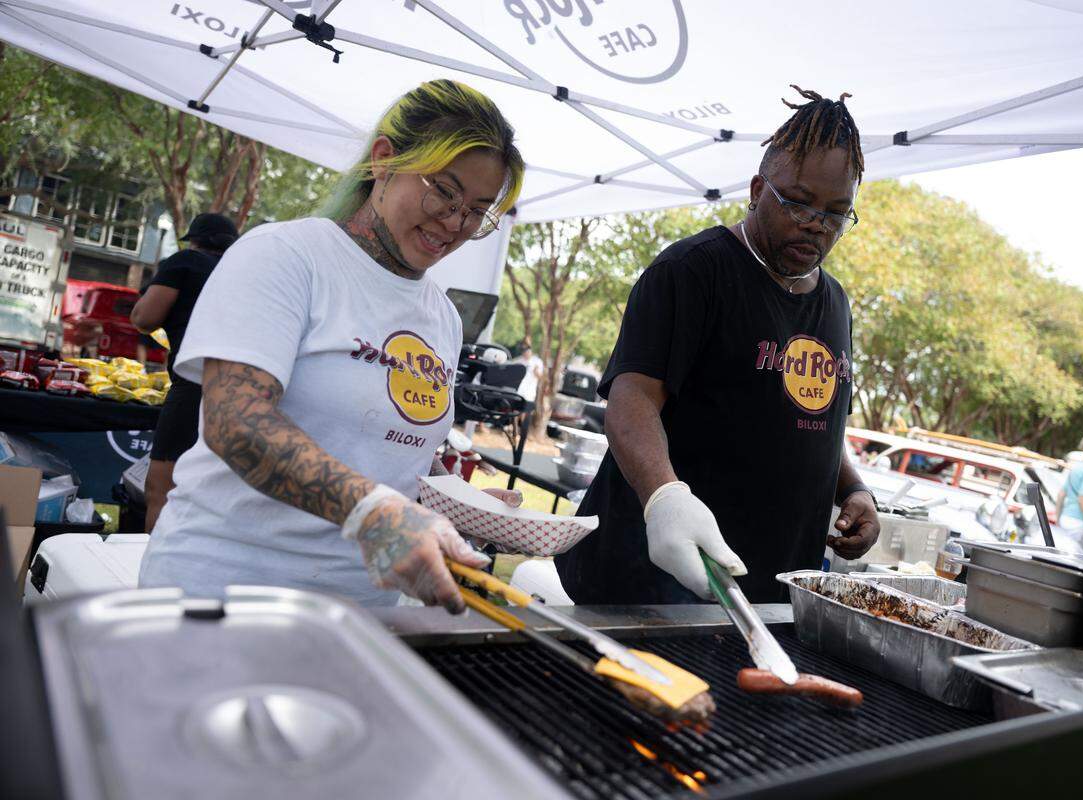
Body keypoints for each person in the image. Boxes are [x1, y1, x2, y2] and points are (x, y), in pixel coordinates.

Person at [139, 79, 525, 610]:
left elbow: (387, 455)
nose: (456, 223)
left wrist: (458, 504)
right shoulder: (285, 255)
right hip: (225, 593)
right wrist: (374, 512)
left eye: (477, 211)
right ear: (384, 160)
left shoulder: (442, 317)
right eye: (444, 191)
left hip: (360, 612)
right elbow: (238, 424)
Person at [556, 86, 881, 604]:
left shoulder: (836, 303)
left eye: (837, 213)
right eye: (797, 202)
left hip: (766, 590)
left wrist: (853, 489)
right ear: (757, 189)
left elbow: (807, 417)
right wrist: (665, 497)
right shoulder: (691, 271)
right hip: (652, 583)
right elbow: (632, 399)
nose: (815, 225)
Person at [131, 212, 240, 532]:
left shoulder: (185, 262)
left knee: (162, 490)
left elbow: (144, 318)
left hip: (194, 386)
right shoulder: (240, 269)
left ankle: (153, 577)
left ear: (193, 240)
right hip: (245, 391)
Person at [513, 339, 543, 404]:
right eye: (524, 350)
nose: (526, 352)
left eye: (527, 350)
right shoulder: (518, 361)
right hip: (518, 390)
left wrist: (536, 372)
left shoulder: (537, 361)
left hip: (529, 392)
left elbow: (540, 377)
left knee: (524, 410)